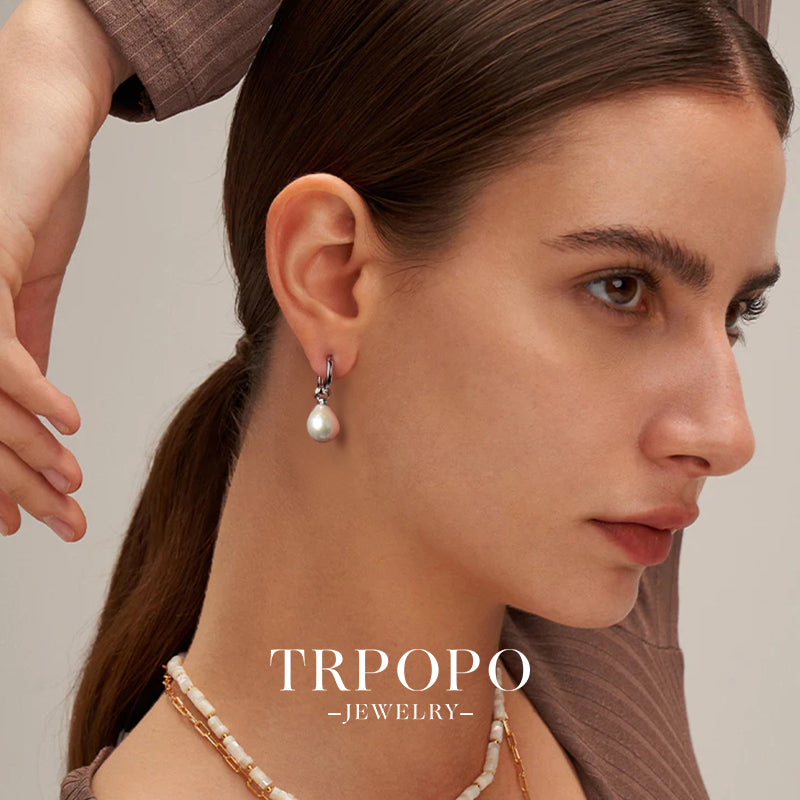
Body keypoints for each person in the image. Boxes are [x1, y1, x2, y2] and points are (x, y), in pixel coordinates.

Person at [0, 0, 787, 799]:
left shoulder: (585, 617)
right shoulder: (579, 599)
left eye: (737, 312)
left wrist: (69, 45)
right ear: (333, 273)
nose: (726, 434)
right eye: (621, 288)